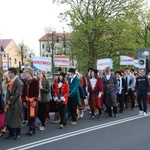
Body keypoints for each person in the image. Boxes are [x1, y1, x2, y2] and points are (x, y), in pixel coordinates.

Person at [4, 67, 23, 140]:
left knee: (17, 117)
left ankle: (18, 133)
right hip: (10, 102)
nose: (8, 74)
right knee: (9, 117)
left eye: (9, 73)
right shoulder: (10, 82)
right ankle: (11, 133)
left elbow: (18, 94)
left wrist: (11, 100)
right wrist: (7, 100)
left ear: (13, 73)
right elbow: (7, 92)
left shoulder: (19, 82)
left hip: (16, 102)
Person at [22, 67, 39, 136]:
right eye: (24, 73)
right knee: (28, 115)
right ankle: (31, 128)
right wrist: (23, 101)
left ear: (30, 73)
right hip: (27, 100)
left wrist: (35, 100)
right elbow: (23, 92)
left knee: (33, 115)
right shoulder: (25, 82)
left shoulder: (35, 81)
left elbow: (37, 92)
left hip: (33, 100)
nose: (25, 74)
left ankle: (31, 129)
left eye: (26, 73)